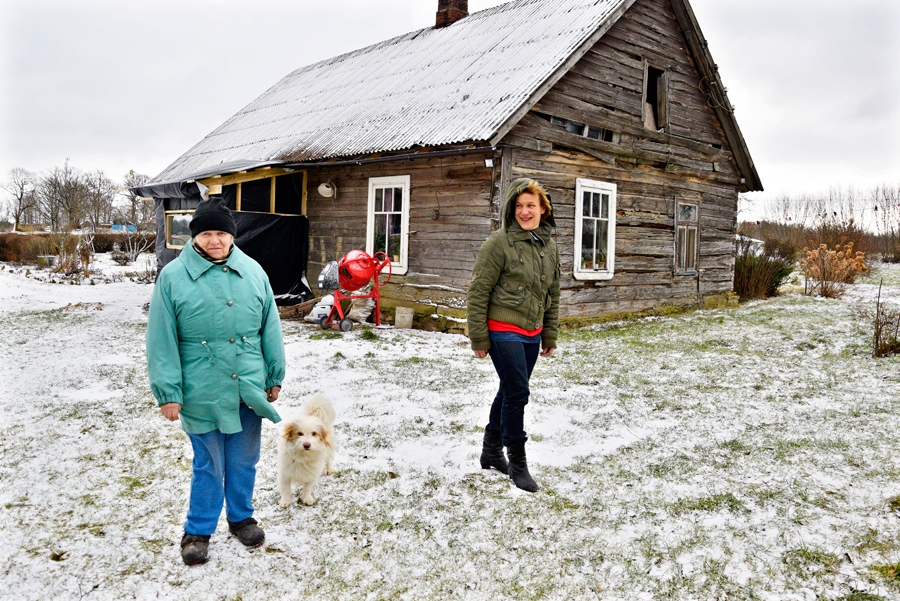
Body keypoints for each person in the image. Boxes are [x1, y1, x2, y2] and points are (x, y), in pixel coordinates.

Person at [146, 197, 285, 565]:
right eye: (206, 233)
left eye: (221, 233)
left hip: (247, 385)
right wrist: (168, 392)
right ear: (194, 237)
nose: (214, 240)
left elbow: (270, 327)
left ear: (231, 236)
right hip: (200, 388)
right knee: (209, 463)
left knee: (243, 459)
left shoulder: (254, 272)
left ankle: (241, 519)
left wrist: (274, 374)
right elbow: (161, 339)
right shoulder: (173, 277)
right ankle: (198, 530)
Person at [466, 178, 560, 493]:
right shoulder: (499, 243)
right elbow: (478, 291)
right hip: (502, 328)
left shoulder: (549, 245)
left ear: (543, 209)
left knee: (508, 391)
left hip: (532, 331)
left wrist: (549, 333)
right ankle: (517, 463)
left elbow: (553, 293)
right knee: (518, 394)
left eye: (530, 205)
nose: (524, 211)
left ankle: (490, 452)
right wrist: (478, 336)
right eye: (519, 206)